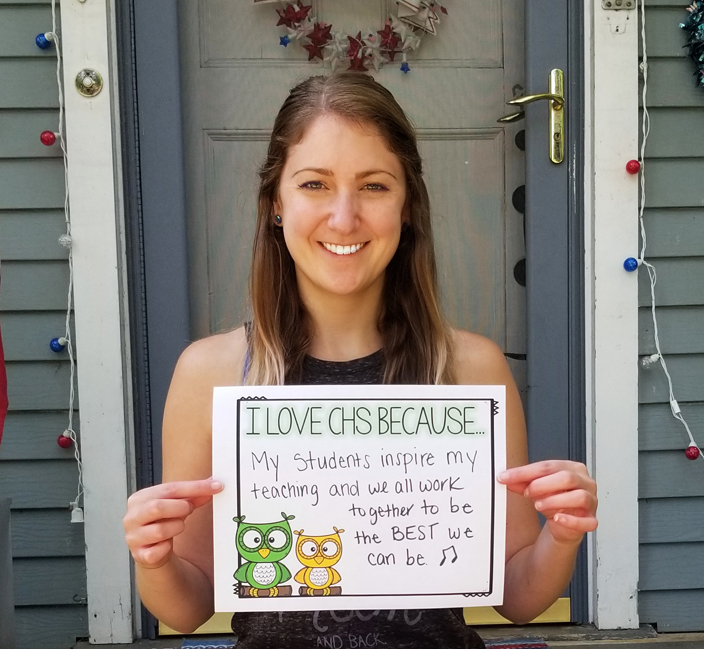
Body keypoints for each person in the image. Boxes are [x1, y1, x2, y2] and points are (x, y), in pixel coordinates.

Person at [123, 73, 598, 648]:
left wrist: (563, 533)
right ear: (277, 202)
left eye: (373, 186)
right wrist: (154, 557)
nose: (343, 218)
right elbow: (189, 608)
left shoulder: (470, 368)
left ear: (408, 206)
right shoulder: (212, 374)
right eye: (314, 185)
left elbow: (520, 600)